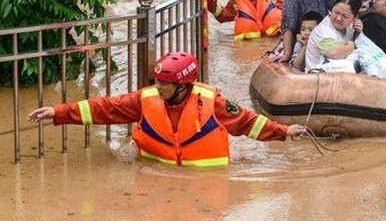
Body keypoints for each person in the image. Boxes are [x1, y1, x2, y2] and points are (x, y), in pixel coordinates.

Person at [26, 52, 307, 166]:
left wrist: (284, 131)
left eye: (165, 84)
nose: (158, 88)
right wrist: (60, 112)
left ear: (184, 85)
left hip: (206, 183)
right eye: (157, 82)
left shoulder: (213, 103)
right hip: (154, 171)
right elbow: (106, 108)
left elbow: (247, 123)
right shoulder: (146, 99)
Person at [305, 0, 363, 71]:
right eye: (336, 12)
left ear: (355, 17)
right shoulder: (323, 30)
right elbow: (333, 54)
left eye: (345, 16)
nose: (338, 18)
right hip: (317, 76)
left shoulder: (352, 25)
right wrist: (352, 45)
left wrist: (358, 31)